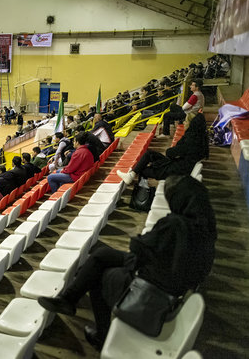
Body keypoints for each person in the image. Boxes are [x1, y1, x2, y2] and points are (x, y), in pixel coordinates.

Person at [38, 175, 216, 349]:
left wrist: (144, 243)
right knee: (103, 254)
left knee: (99, 277)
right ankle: (68, 299)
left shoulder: (176, 225)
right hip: (166, 282)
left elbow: (138, 246)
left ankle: (102, 335)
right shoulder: (206, 231)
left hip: (151, 288)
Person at [118, 113, 208, 184]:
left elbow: (171, 153)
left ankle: (142, 198)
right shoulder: (198, 137)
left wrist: (172, 151)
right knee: (149, 154)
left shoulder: (191, 140)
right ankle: (131, 175)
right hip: (178, 165)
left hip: (177, 170)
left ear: (192, 124)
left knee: (143, 170)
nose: (183, 123)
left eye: (186, 121)